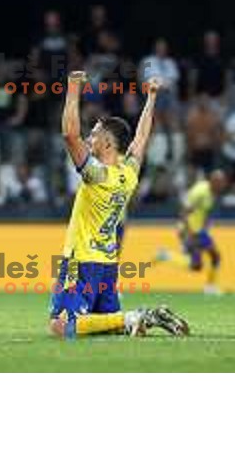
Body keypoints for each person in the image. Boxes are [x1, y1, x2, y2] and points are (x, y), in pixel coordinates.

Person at [49, 71, 189, 339]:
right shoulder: (129, 174)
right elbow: (141, 138)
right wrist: (151, 98)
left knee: (60, 326)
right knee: (106, 326)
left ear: (108, 142)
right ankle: (149, 316)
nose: (90, 138)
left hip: (82, 261)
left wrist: (73, 88)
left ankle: (132, 317)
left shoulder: (96, 175)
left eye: (95, 134)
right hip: (108, 264)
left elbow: (69, 135)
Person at [154, 170, 228, 295]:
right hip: (190, 230)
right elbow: (184, 211)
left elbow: (202, 212)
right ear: (213, 181)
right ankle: (166, 256)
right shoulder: (200, 192)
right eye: (220, 182)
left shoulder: (212, 193)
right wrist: (188, 233)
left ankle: (210, 286)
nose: (223, 185)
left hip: (199, 230)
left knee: (209, 259)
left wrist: (205, 227)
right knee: (203, 261)